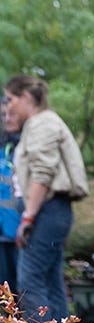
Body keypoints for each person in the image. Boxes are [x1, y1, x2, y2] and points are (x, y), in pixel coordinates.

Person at [4, 75, 89, 323]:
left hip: (47, 211)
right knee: (50, 280)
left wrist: (28, 215)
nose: (8, 106)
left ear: (27, 98)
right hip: (51, 211)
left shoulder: (42, 124)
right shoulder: (39, 124)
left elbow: (43, 172)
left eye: (11, 99)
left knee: (29, 281)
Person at [1, 95, 19, 293]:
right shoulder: (3, 149)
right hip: (3, 233)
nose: (6, 119)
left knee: (23, 290)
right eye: (3, 115)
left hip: (20, 233)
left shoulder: (25, 148)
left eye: (10, 114)